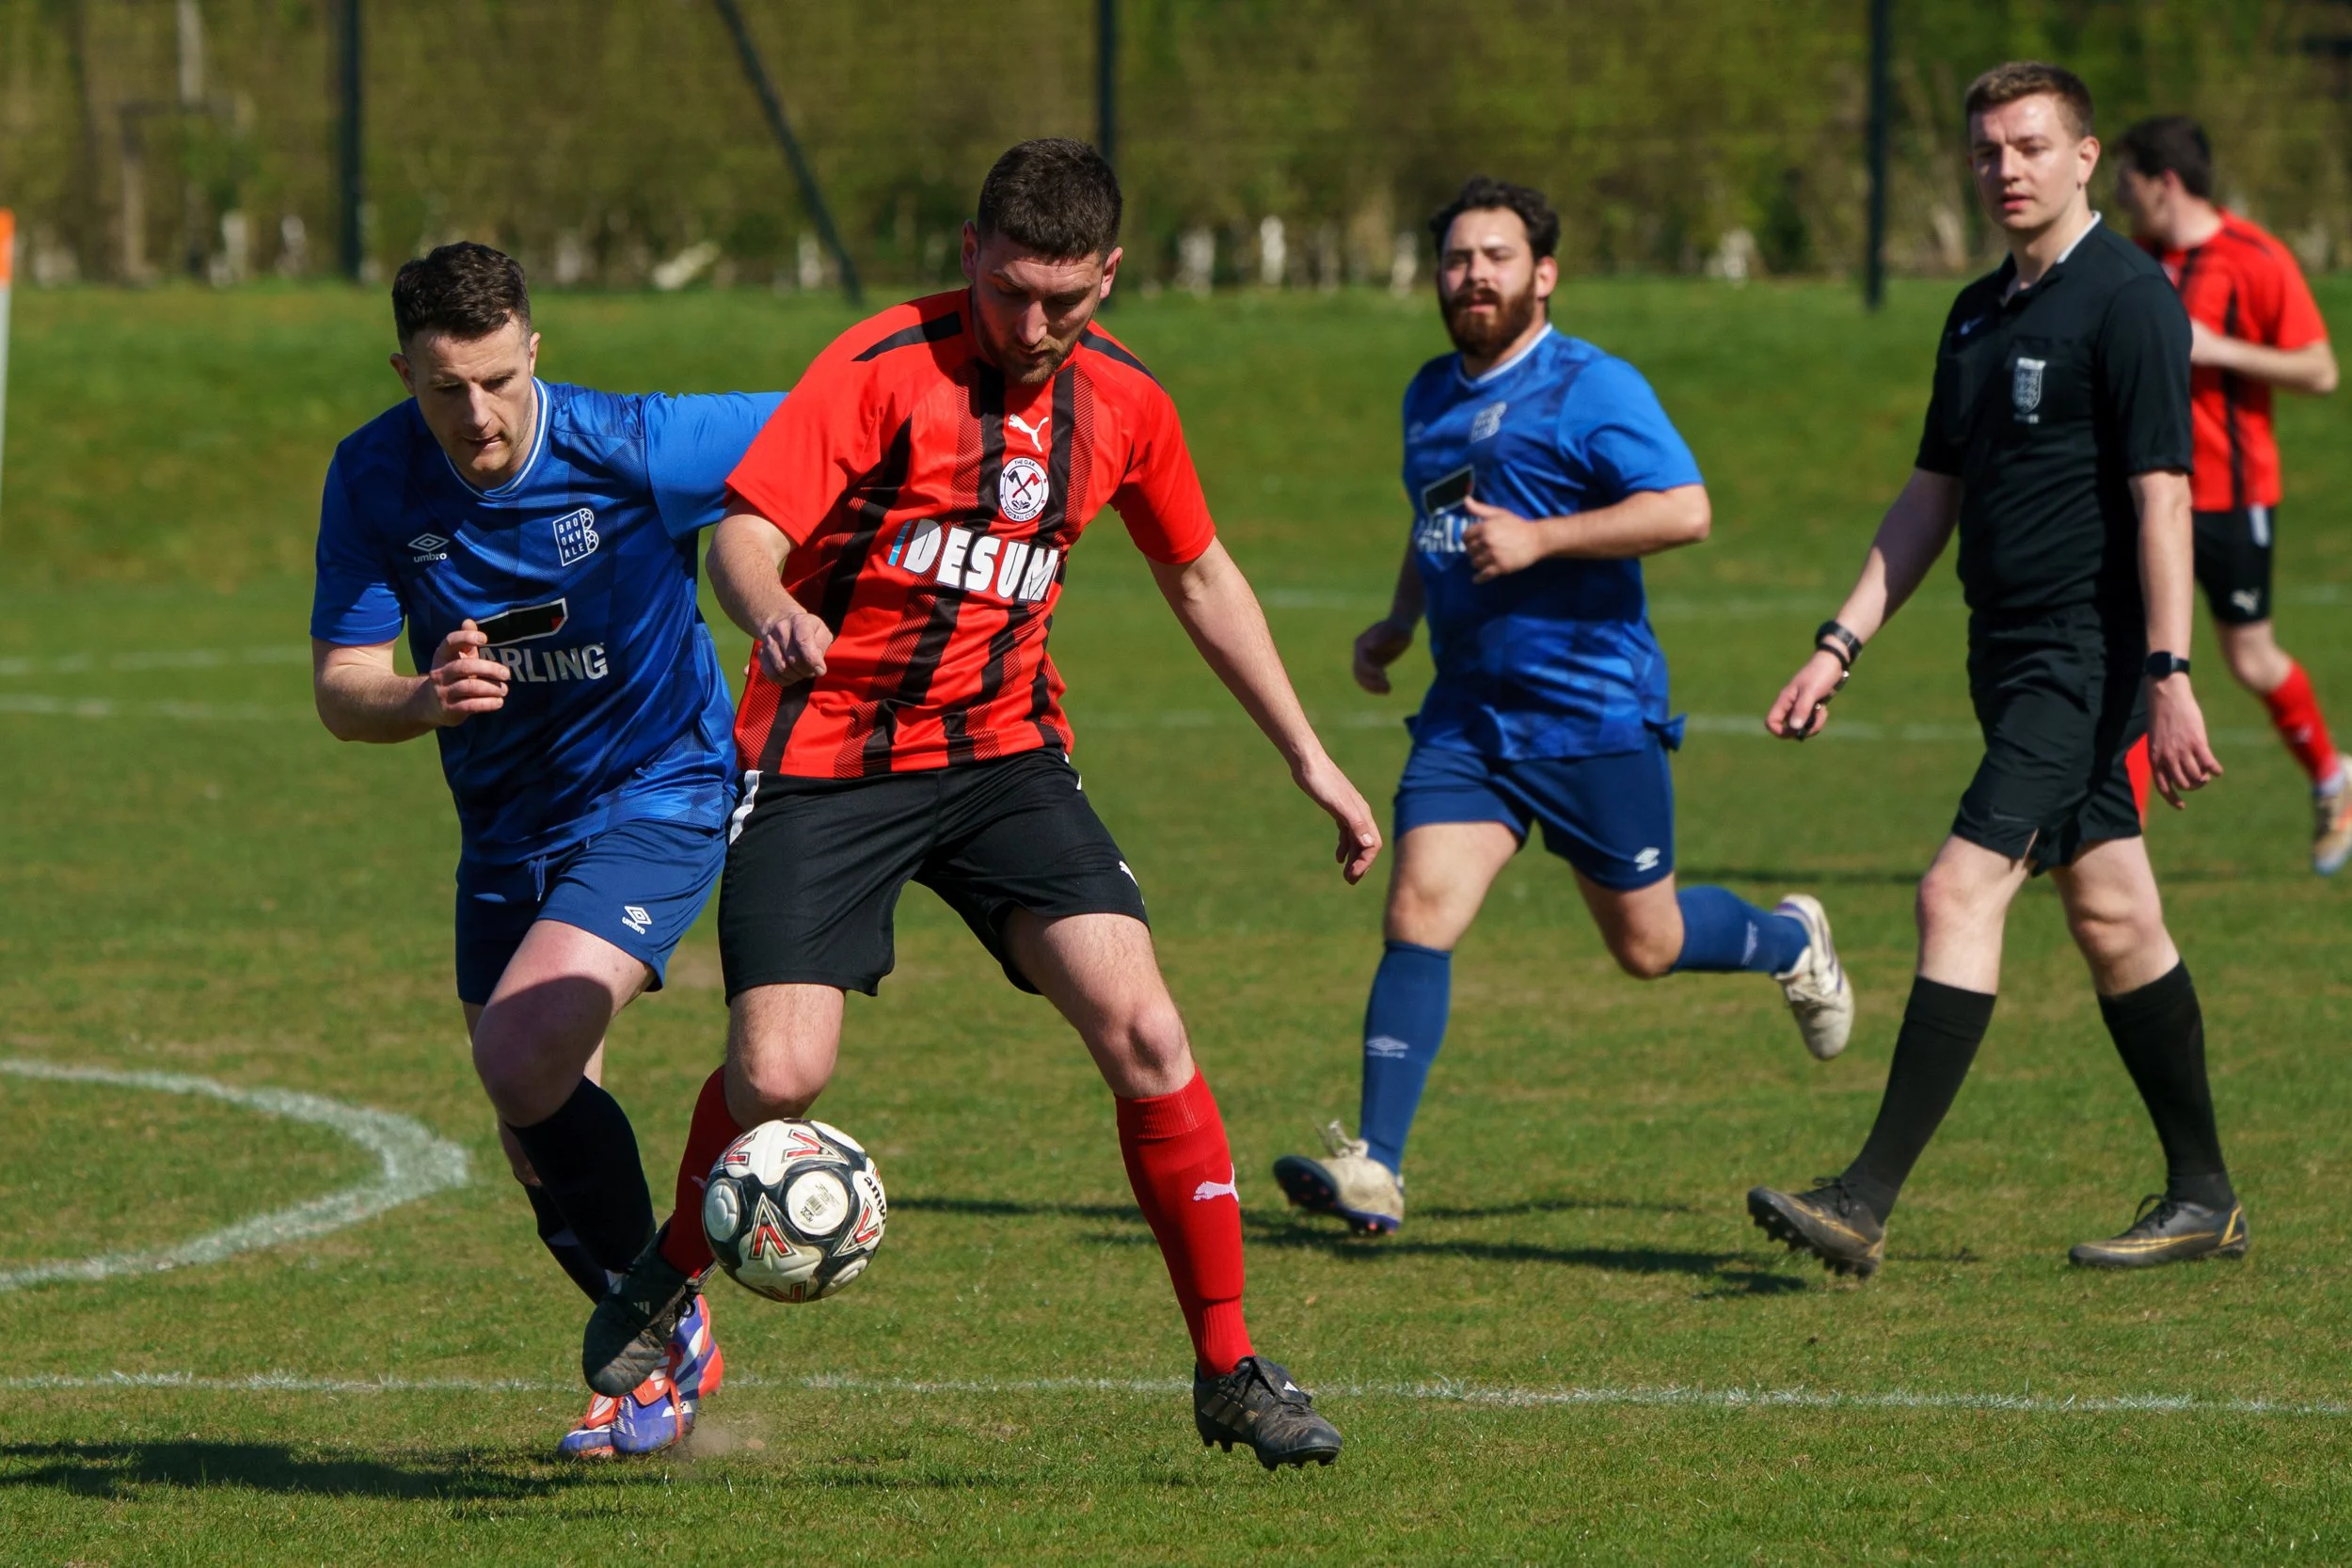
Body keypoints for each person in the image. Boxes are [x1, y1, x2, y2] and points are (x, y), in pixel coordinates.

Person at [577, 139, 1383, 1471]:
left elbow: (1200, 574)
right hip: (828, 755)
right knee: (782, 1073)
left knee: (1149, 1030)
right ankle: (666, 1271)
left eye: (1066, 299)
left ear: (1109, 277)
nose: (1034, 325)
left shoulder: (1126, 402)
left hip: (1004, 755)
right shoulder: (880, 366)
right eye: (1012, 292)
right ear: (968, 255)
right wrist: (773, 608)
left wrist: (1308, 754)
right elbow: (744, 529)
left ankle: (1231, 1363)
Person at [1266, 177, 1854, 1239]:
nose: (1473, 275)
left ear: (1543, 273)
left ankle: (1786, 940)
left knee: (1646, 941)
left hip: (1590, 710)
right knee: (1417, 912)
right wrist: (1399, 619)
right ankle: (1377, 1168)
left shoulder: (1592, 384)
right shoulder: (1428, 393)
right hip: (1469, 715)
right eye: (1456, 258)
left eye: (1495, 257)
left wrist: (1542, 539)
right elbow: (1434, 518)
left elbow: (1686, 509)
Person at [1747, 62, 2245, 1279]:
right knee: (2115, 909)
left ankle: (1863, 1198)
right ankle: (2204, 1194)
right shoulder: (1976, 311)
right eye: (1987, 151)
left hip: (2084, 662)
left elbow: (2163, 496)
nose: (2007, 168)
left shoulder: (2129, 300)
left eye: (2031, 145)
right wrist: (1839, 641)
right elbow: (1932, 496)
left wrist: (2171, 670)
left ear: (2086, 159)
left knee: (1955, 891)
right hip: (2005, 654)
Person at [310, 243, 779, 1455]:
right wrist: (419, 696)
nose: (477, 413)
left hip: (660, 789)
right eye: (443, 388)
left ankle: (652, 1346)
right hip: (506, 827)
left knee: (516, 1051)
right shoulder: (371, 475)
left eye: (498, 380)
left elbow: (838, 426)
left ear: (535, 350)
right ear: (404, 370)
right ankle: (670, 1351)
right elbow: (342, 685)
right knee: (536, 1135)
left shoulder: (637, 442)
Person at [2111, 114, 2347, 874]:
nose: (2120, 198)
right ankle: (2121, 840)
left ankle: (2334, 780)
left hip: (2231, 497)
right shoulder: (2129, 259)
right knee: (2138, 657)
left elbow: (2320, 370)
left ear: (2165, 182)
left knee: (2250, 659)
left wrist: (2218, 350)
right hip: (2148, 497)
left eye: (2128, 183)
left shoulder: (2256, 257)